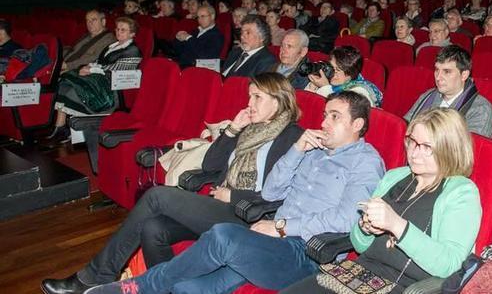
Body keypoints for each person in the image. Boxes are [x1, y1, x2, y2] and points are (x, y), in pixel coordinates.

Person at [79, 90, 385, 294]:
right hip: (270, 240)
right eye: (325, 115)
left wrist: (281, 227)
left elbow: (347, 219)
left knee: (223, 236)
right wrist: (296, 150)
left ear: (358, 124)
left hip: (306, 253)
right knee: (188, 289)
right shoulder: (313, 149)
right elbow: (273, 190)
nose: (324, 123)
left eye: (335, 117)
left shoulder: (365, 162)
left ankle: (141, 286)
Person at [40, 73, 306, 294]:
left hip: (250, 216)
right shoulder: (250, 127)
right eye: (249, 95)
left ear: (279, 100)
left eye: (257, 97)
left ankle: (96, 275)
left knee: (157, 196)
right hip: (222, 205)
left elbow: (284, 194)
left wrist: (234, 196)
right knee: (154, 228)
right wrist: (233, 130)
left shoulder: (292, 137)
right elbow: (211, 166)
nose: (249, 103)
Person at [282, 107, 481, 294]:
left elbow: (450, 264)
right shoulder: (394, 177)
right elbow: (359, 245)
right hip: (356, 275)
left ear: (449, 148)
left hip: (404, 287)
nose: (414, 152)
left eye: (426, 146)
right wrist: (365, 228)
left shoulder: (461, 192)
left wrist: (397, 225)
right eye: (412, 141)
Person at [47, 17, 142, 144]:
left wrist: (92, 70)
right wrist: (88, 66)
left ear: (132, 34)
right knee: (64, 83)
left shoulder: (133, 50)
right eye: (117, 29)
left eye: (123, 30)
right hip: (99, 79)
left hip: (110, 87)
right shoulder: (112, 45)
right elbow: (99, 61)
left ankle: (65, 129)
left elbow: (117, 68)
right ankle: (60, 127)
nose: (119, 32)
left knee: (71, 89)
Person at [404, 45, 492, 138]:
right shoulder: (427, 95)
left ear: (464, 75)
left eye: (447, 71)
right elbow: (405, 126)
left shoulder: (480, 109)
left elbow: (469, 149)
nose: (438, 77)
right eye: (436, 70)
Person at [305, 45, 383, 107]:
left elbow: (340, 113)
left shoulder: (361, 92)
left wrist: (324, 87)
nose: (332, 72)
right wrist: (313, 85)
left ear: (350, 74)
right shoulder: (328, 80)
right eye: (331, 67)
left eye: (338, 70)